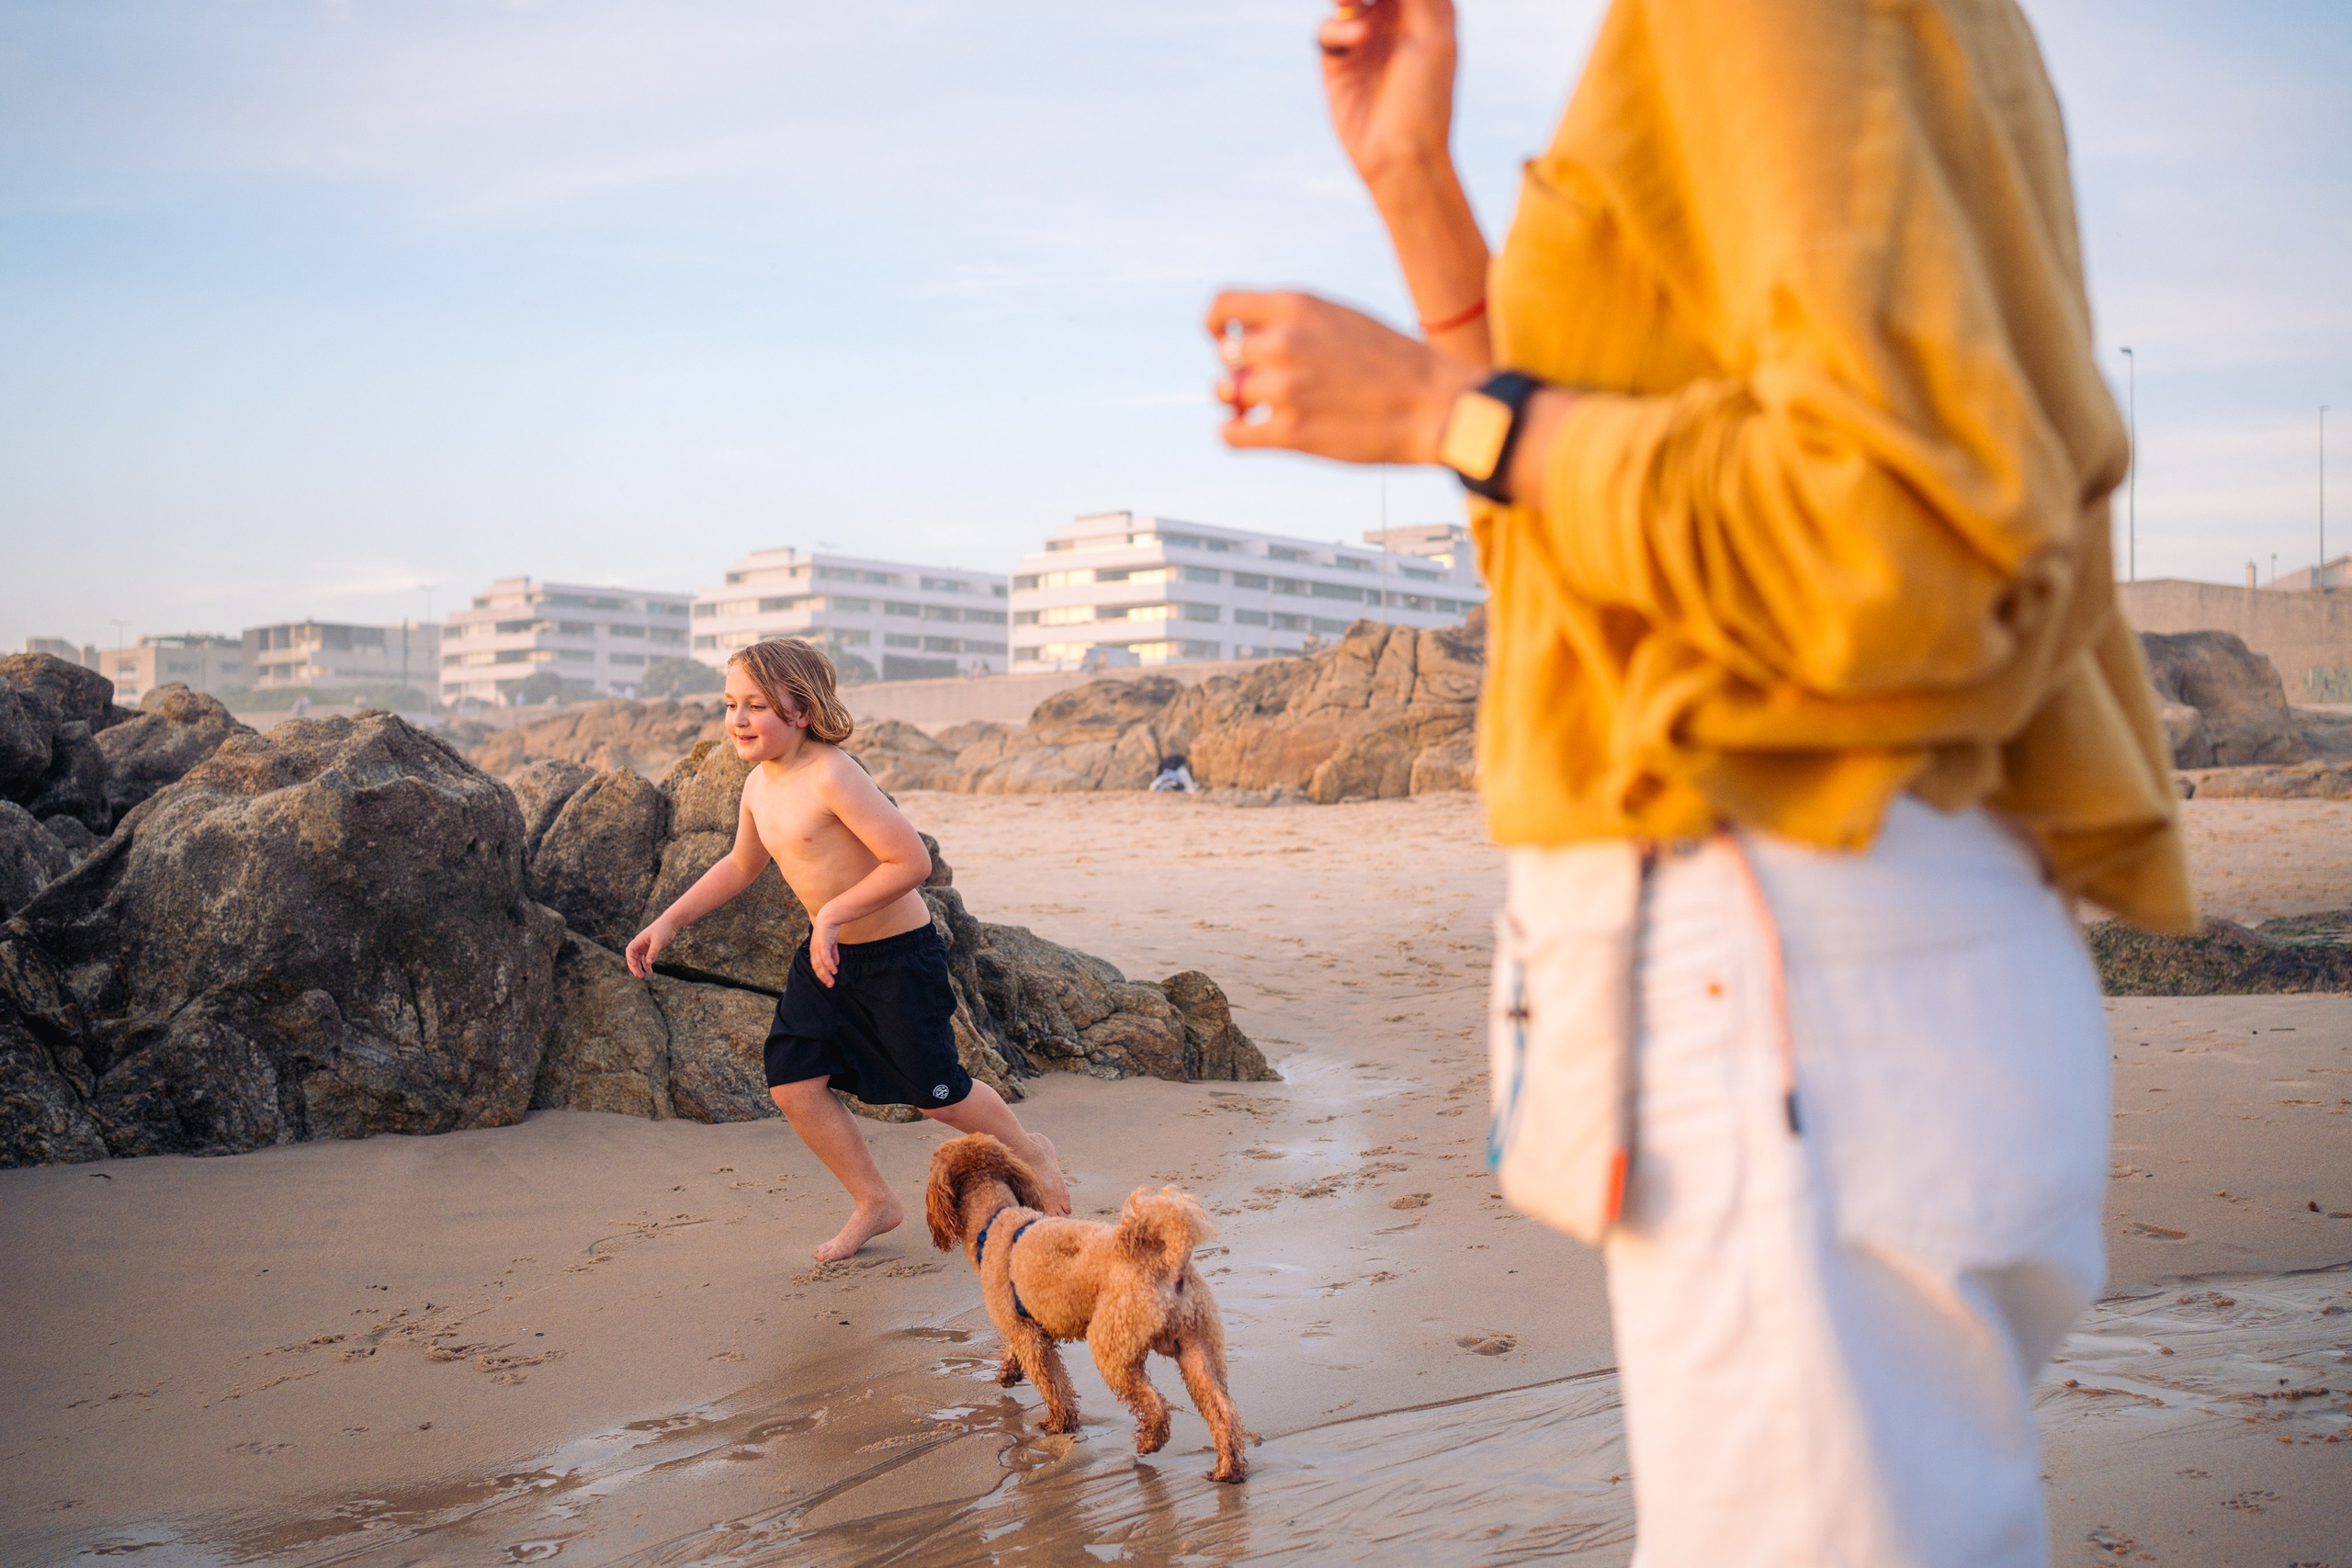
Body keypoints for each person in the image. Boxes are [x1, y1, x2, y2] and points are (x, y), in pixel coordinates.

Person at [1209, 2, 2193, 1563]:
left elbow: (1903, 531)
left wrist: (1443, 412)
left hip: (1793, 946)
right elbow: (1572, 560)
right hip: (1811, 962)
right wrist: (1417, 189)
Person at [627, 637, 1073, 1261]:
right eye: (731, 704)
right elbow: (741, 863)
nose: (739, 718)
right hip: (828, 959)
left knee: (936, 1094)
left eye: (756, 704)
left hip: (896, 958)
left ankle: (1031, 1150)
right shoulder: (758, 787)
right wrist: (668, 921)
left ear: (801, 711)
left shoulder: (834, 774)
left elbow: (911, 859)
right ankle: (874, 1201)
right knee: (793, 1081)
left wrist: (833, 912)